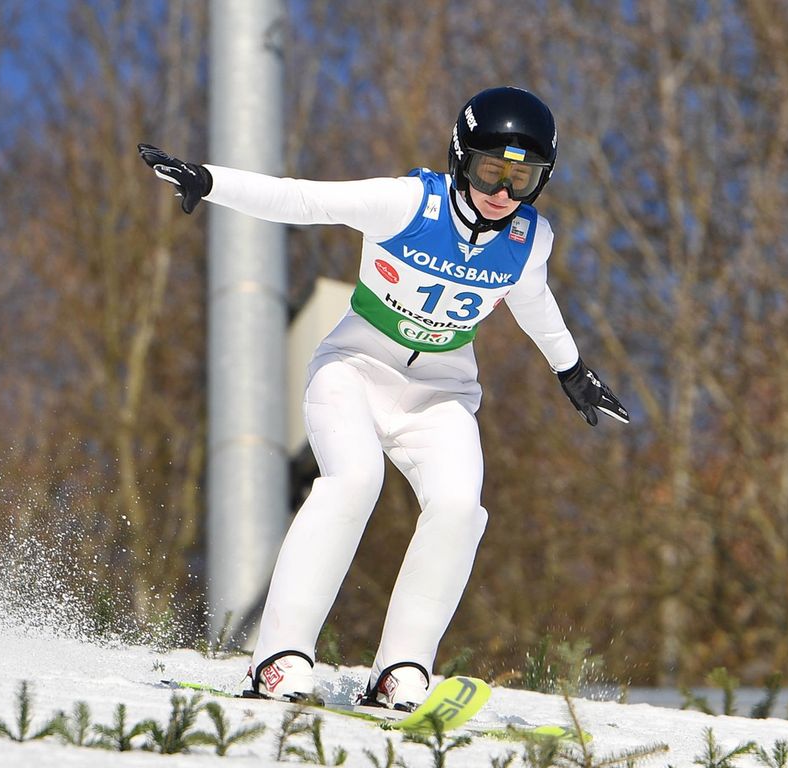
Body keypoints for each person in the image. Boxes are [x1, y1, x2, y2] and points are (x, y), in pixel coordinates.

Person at [139, 86, 628, 712]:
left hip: (442, 393)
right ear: (460, 156)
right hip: (353, 371)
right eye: (491, 171)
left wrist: (573, 371)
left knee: (458, 508)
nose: (503, 193)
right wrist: (209, 180)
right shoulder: (404, 203)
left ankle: (400, 671)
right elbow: (301, 197)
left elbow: (531, 298)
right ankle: (279, 660)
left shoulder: (531, 238)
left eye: (523, 178)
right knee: (353, 480)